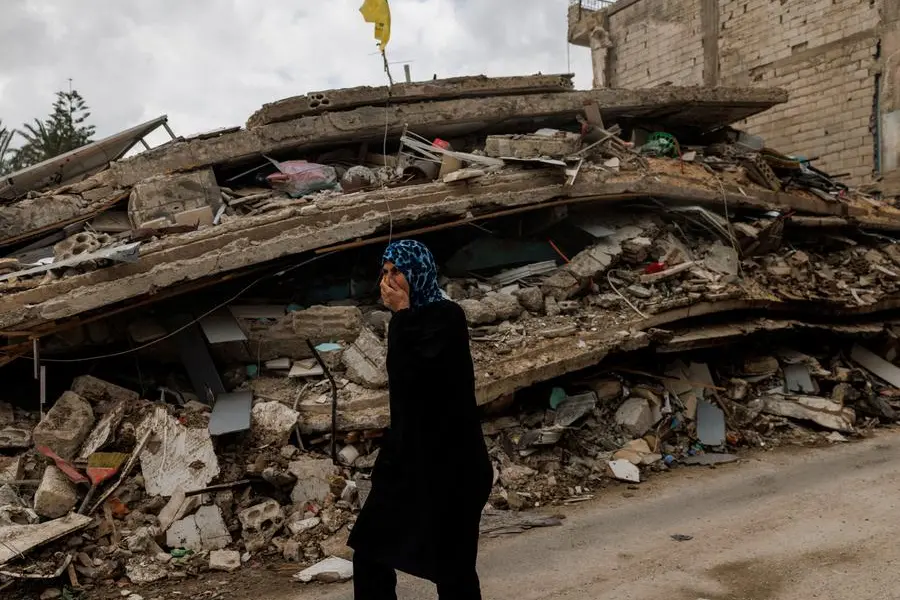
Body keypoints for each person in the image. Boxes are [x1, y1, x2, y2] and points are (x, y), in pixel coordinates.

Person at [348, 239, 493, 600]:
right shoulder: (407, 321)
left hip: (453, 467)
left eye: (397, 271)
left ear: (418, 273)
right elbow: (402, 386)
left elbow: (418, 373)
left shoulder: (447, 317)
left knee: (453, 568)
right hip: (409, 461)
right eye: (385, 272)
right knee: (370, 551)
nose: (389, 280)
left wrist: (402, 313)